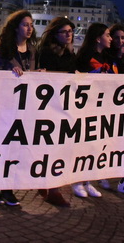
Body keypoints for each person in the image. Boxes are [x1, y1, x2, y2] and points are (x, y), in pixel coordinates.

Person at [0, 10, 36, 207]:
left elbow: (33, 73)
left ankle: (8, 187)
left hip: (24, 106)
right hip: (5, 105)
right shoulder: (4, 51)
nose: (29, 28)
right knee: (1, 146)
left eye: (31, 25)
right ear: (16, 27)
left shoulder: (33, 50)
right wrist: (10, 73)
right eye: (25, 24)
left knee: (15, 148)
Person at [36, 16, 76, 206]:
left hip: (63, 104)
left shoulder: (70, 53)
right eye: (65, 32)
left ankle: (49, 185)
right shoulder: (46, 52)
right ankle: (51, 187)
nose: (69, 35)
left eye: (70, 32)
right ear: (55, 34)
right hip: (47, 104)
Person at [71, 23, 111, 199]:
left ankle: (88, 180)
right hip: (85, 104)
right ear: (97, 38)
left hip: (100, 105)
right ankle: (77, 180)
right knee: (82, 144)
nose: (110, 38)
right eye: (107, 35)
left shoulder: (106, 55)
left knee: (94, 144)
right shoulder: (86, 55)